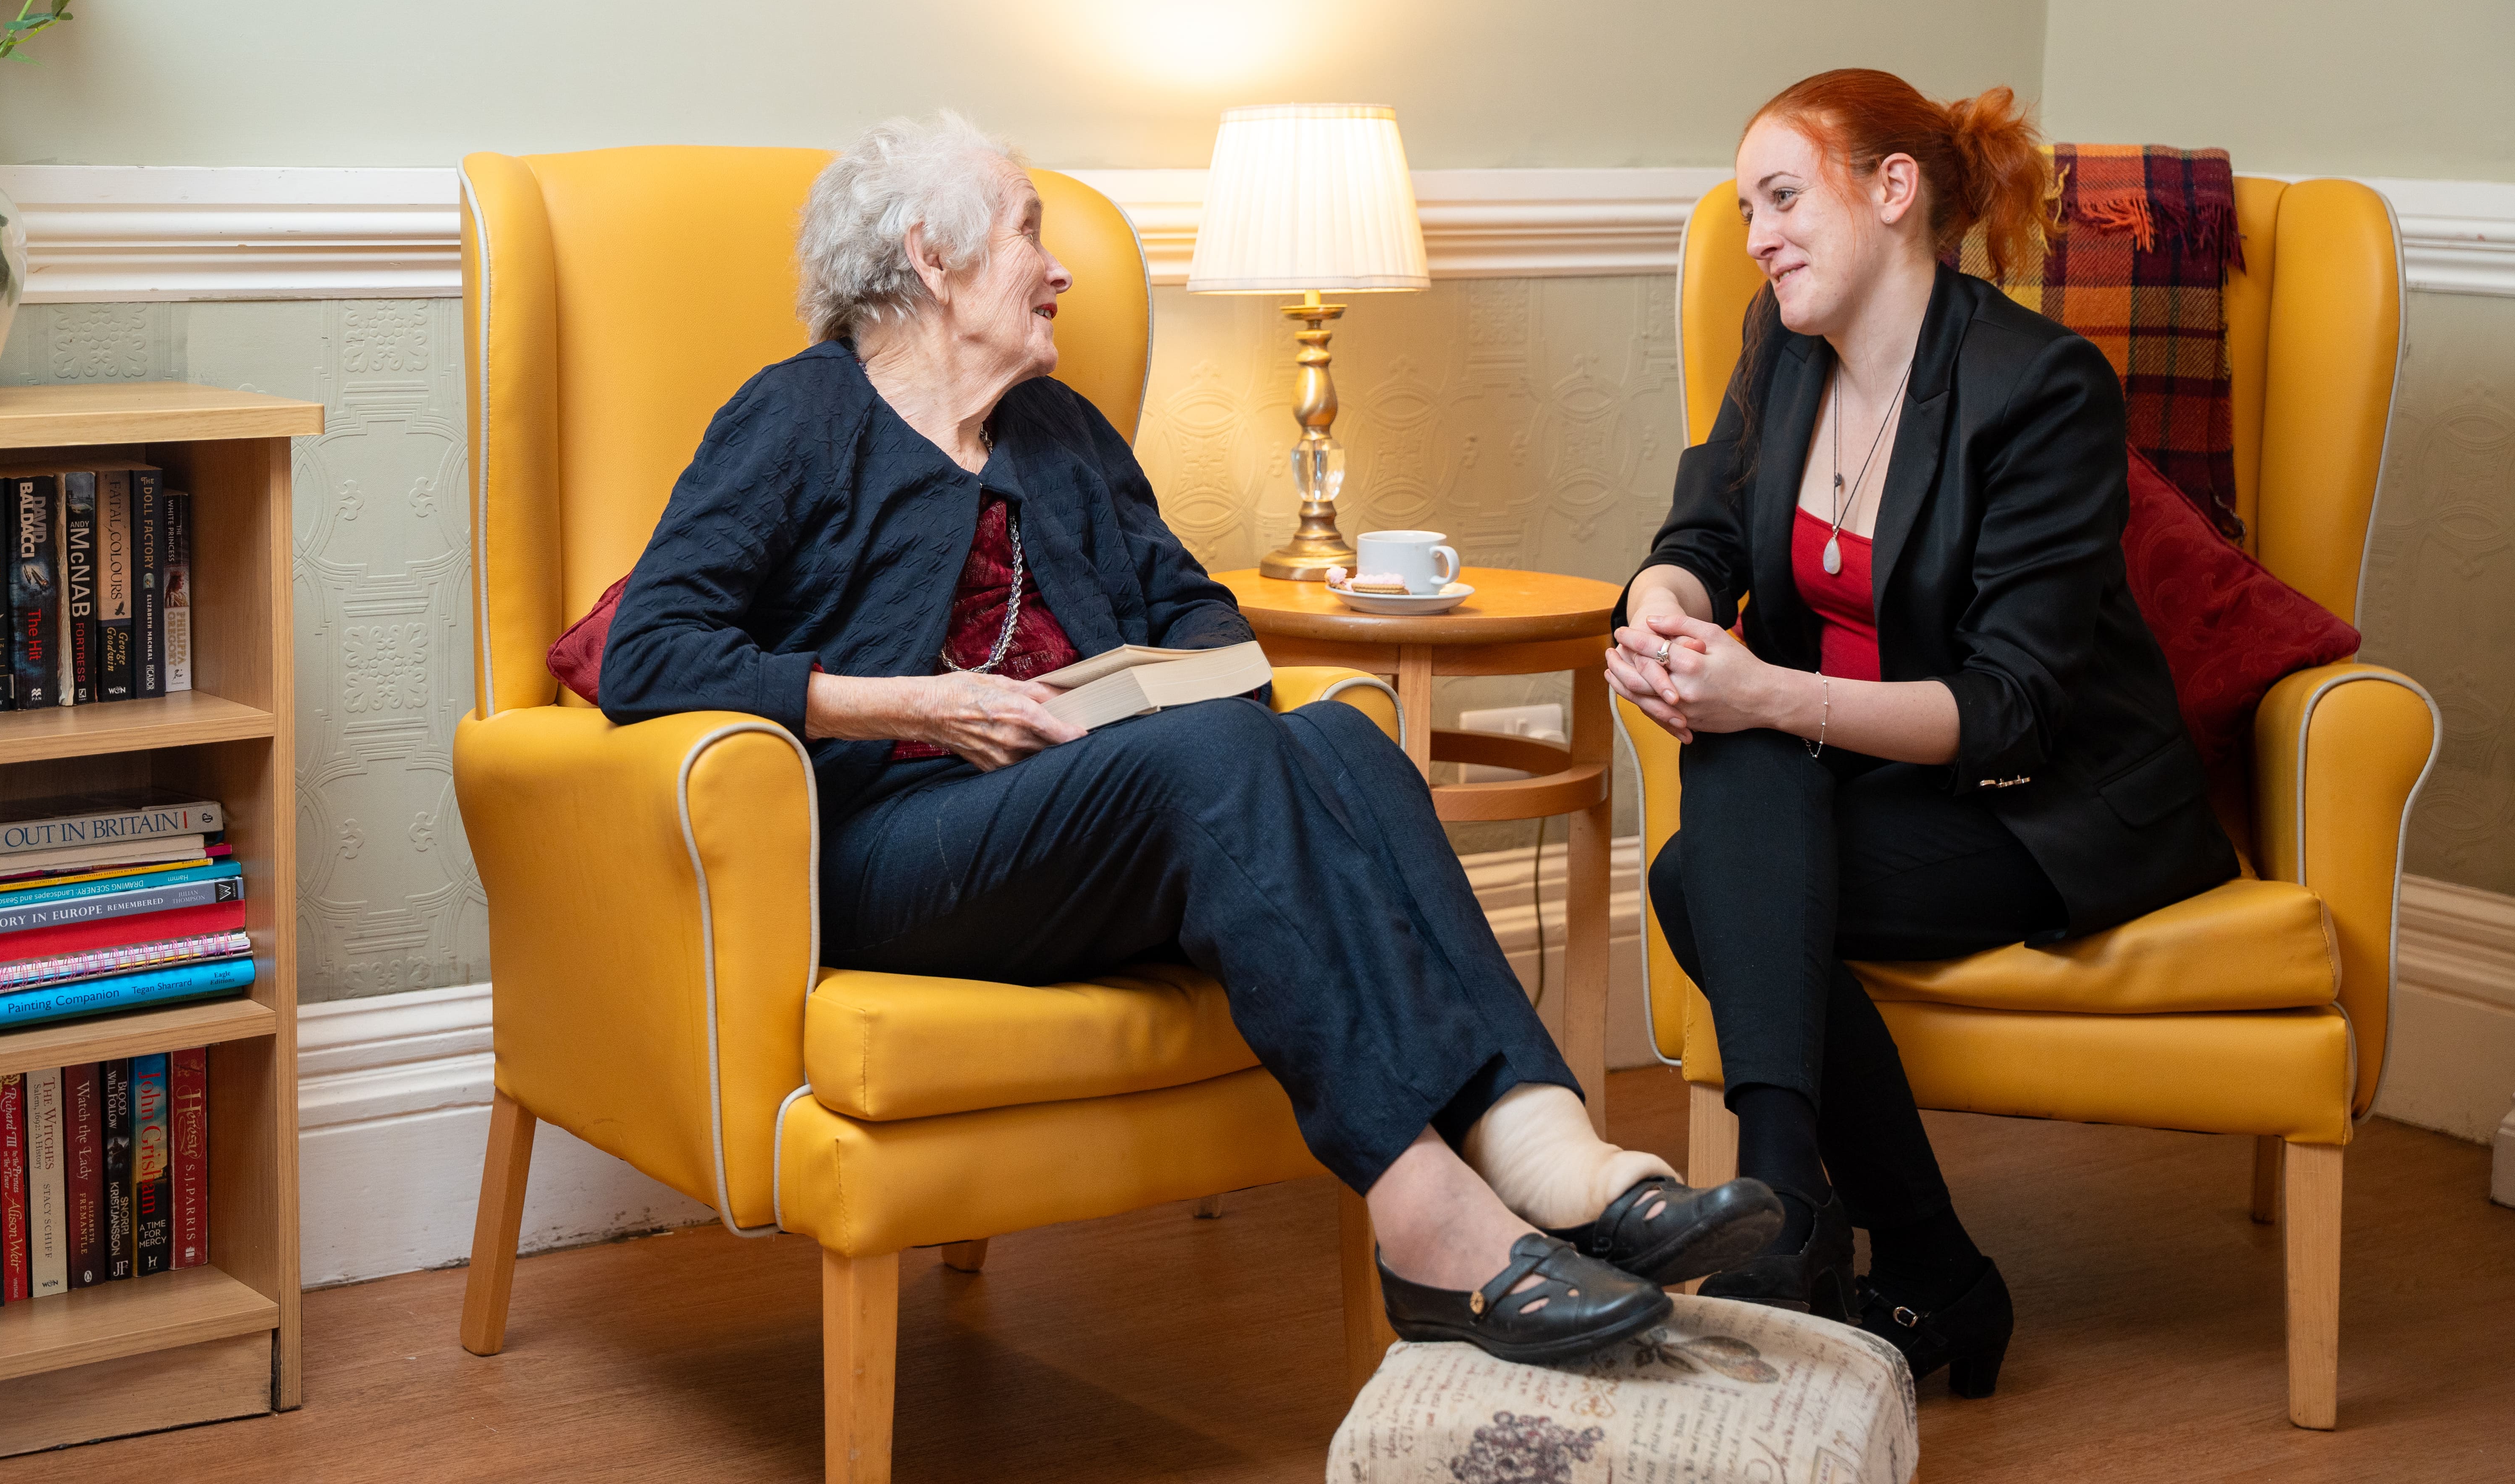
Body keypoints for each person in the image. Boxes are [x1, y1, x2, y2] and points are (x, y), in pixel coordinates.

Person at [603, 111, 1780, 1366]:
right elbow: (651, 650)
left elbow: (1193, 610)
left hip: (1105, 826)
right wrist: (907, 702)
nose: (1059, 270)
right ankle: (1428, 1225)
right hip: (897, 845)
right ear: (930, 259)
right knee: (1208, 757)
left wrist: (1164, 681)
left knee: (1345, 744)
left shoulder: (1063, 432)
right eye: (1027, 233)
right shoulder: (795, 419)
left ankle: (1555, 1154)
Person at [1608, 70, 2238, 1395]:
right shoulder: (1778, 349)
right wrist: (1663, 615)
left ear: (1893, 191)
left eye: (1782, 197)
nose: (1758, 235)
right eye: (1744, 211)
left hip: (2044, 802)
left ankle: (1834, 1225)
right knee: (1731, 779)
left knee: (1706, 853)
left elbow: (2015, 705)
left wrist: (1763, 691)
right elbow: (1699, 538)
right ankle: (1880, 1243)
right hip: (1869, 778)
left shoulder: (2037, 386)